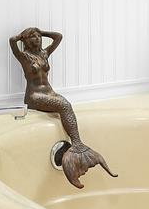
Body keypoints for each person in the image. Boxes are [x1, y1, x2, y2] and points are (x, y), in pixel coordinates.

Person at [9, 27, 115, 187]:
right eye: (32, 36)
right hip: (34, 96)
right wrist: (21, 36)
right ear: (25, 40)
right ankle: (77, 145)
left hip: (50, 92)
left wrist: (41, 32)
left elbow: (58, 37)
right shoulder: (24, 57)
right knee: (64, 105)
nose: (37, 38)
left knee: (67, 105)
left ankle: (78, 146)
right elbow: (12, 41)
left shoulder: (44, 54)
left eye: (38, 36)